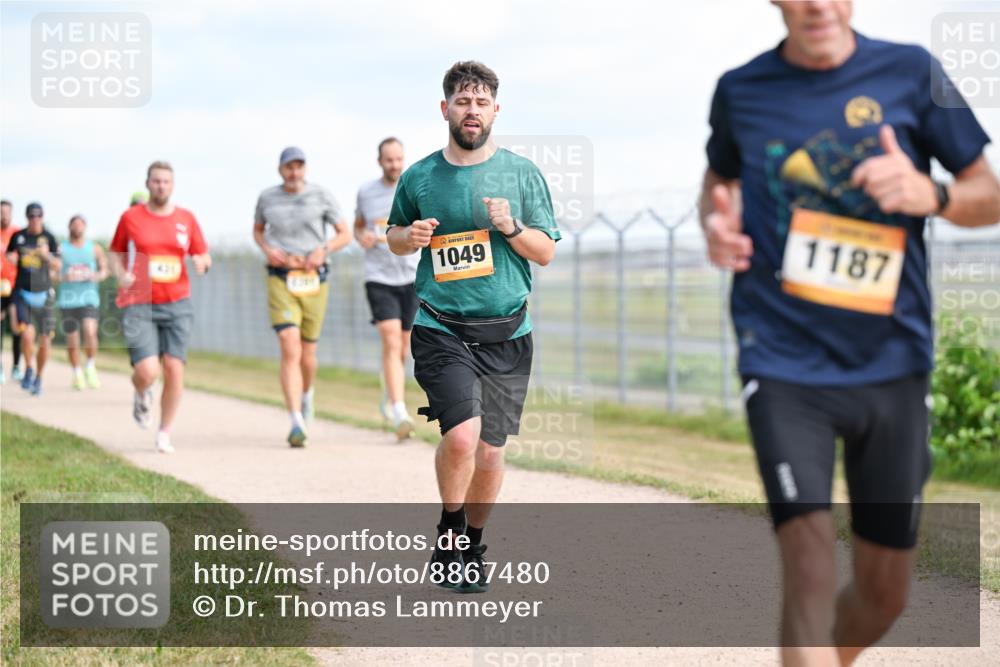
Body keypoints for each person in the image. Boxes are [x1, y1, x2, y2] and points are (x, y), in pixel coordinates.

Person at [700, 2, 1000, 664]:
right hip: (781, 360)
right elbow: (719, 181)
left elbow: (990, 191)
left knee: (884, 592)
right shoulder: (740, 89)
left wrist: (934, 195)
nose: (817, 4)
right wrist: (715, 227)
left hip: (891, 363)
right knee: (807, 559)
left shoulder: (916, 71)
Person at [387, 61, 560, 592]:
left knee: (491, 450)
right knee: (461, 438)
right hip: (441, 327)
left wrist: (510, 226)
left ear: (495, 111)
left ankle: (470, 544)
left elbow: (546, 252)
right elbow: (392, 234)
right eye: (463, 102)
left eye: (481, 103)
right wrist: (408, 236)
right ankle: (450, 531)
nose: (472, 111)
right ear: (446, 109)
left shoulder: (522, 174)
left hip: (508, 333)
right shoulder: (420, 176)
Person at [109, 161, 211, 453]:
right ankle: (142, 393)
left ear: (173, 185)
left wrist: (202, 263)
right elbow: (115, 252)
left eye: (166, 181)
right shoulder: (131, 218)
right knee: (148, 371)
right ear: (147, 183)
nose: (161, 186)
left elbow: (202, 254)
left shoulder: (186, 219)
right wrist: (121, 274)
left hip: (177, 302)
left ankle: (164, 431)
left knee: (174, 368)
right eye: (156, 181)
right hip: (139, 302)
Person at [253, 147, 351, 448]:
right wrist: (268, 249)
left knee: (307, 354)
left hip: (313, 281)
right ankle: (295, 419)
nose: (294, 172)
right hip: (281, 279)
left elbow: (344, 234)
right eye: (288, 167)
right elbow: (258, 231)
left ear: (305, 169)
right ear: (280, 169)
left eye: (299, 167)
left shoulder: (321, 195)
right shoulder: (267, 198)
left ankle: (306, 395)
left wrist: (323, 250)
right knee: (288, 345)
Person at [355, 137, 420, 440]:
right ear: (379, 161)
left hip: (410, 276)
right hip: (378, 277)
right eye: (389, 160)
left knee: (404, 347)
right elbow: (358, 225)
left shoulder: (414, 187)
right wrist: (362, 236)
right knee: (391, 342)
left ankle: (390, 393)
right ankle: (398, 410)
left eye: (398, 159)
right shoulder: (367, 193)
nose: (394, 165)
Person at [6, 203, 61, 396]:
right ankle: (28, 368)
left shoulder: (50, 238)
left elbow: (58, 265)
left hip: (44, 293)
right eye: (31, 216)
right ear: (27, 217)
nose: (35, 219)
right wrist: (11, 259)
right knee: (27, 334)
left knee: (45, 339)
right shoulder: (19, 236)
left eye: (38, 216)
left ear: (42, 217)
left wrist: (46, 256)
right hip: (23, 292)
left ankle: (39, 376)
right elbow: (9, 253)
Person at [57, 214, 108, 389]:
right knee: (72, 339)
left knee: (90, 331)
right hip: (68, 300)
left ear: (85, 227)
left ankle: (90, 366)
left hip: (89, 297)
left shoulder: (94, 248)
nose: (77, 227)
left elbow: (104, 271)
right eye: (74, 224)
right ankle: (77, 373)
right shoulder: (61, 248)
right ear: (69, 227)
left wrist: (96, 276)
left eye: (81, 224)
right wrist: (64, 276)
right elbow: (51, 274)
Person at [1, 199, 23, 384]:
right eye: (1, 212)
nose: (4, 216)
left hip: (15, 286)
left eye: (7, 212)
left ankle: (16, 365)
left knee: (17, 326)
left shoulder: (18, 234)